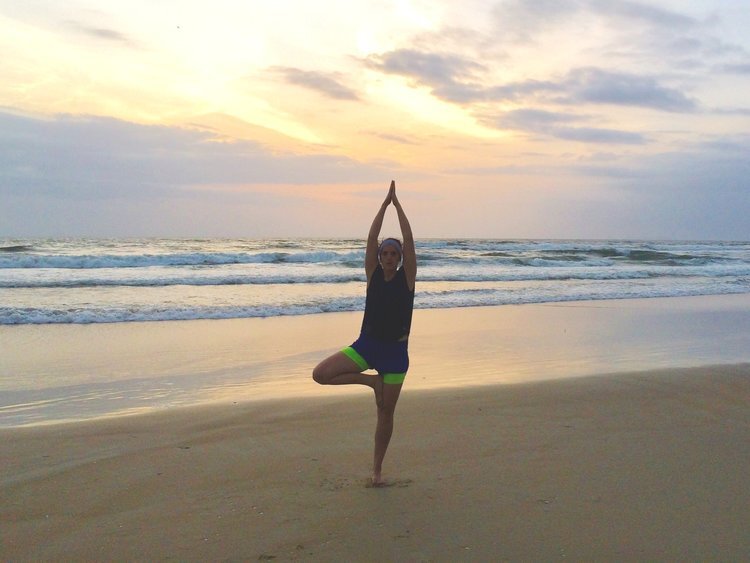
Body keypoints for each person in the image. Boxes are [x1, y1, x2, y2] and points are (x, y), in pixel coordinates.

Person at [312, 180, 416, 487]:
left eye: (393, 254)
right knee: (321, 374)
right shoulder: (372, 275)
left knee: (385, 415)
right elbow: (371, 239)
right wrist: (383, 206)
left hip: (395, 355)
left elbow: (409, 240)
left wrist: (399, 207)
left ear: (399, 259)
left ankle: (377, 471)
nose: (387, 257)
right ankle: (370, 382)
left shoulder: (407, 279)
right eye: (384, 253)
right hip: (367, 346)